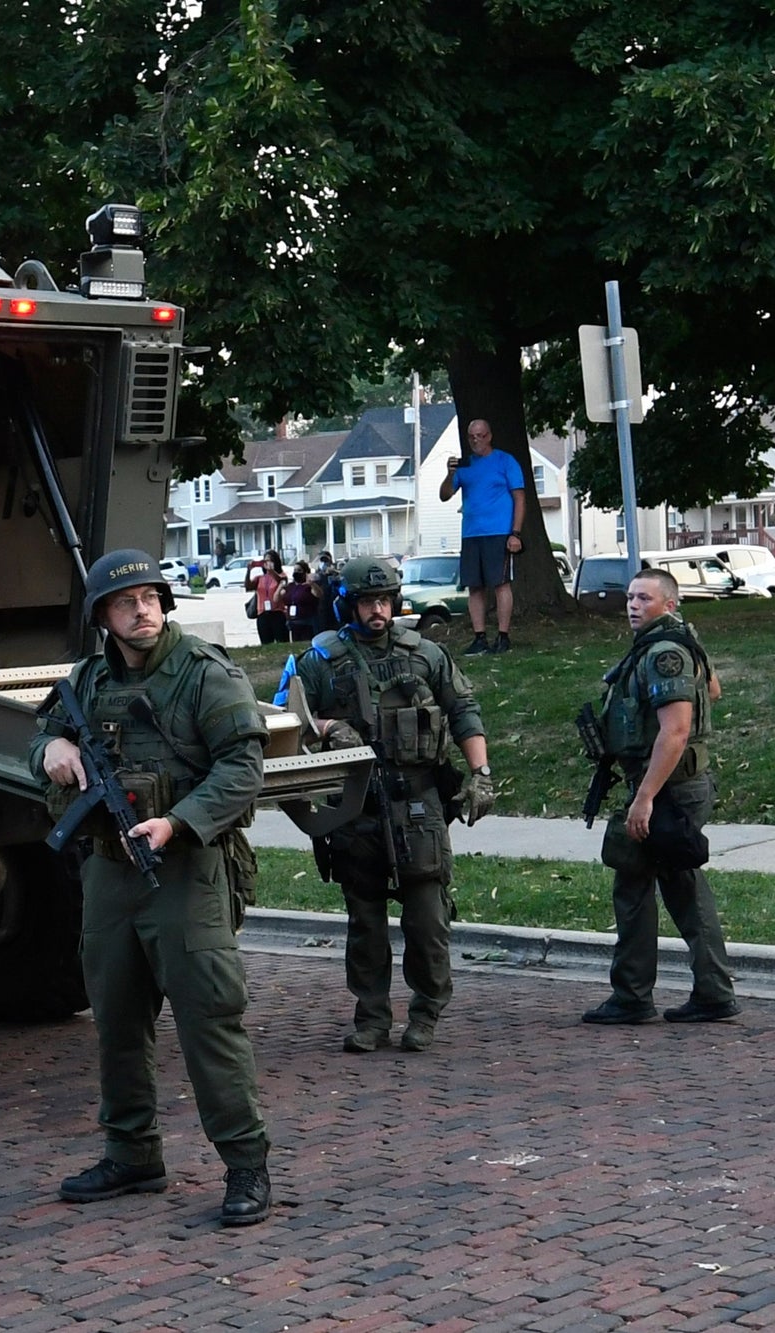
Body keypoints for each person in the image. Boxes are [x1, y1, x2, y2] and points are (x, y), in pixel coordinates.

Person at [32, 549, 274, 1227]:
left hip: (185, 870)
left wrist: (179, 821)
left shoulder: (204, 674)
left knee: (208, 1018)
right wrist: (48, 752)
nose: (142, 610)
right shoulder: (88, 678)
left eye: (150, 597)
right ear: (103, 617)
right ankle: (132, 1150)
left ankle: (246, 1163)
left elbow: (243, 766)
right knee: (115, 1015)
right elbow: (42, 739)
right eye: (124, 601)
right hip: (110, 872)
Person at [279, 556, 495, 1052]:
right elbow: (292, 716)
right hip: (356, 806)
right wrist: (330, 729)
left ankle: (426, 1012)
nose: (377, 610)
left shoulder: (426, 655)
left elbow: (464, 711)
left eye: (384, 600)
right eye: (366, 601)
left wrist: (480, 775)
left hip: (417, 801)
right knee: (365, 921)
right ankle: (372, 1017)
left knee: (427, 918)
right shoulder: (321, 659)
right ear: (347, 604)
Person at [580, 567, 739, 1026]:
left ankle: (633, 996)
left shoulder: (666, 651)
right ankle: (710, 991)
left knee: (638, 884)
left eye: (644, 599)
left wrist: (645, 797)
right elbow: (713, 688)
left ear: (668, 604)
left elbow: (676, 730)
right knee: (680, 886)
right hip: (675, 785)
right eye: (630, 597)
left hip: (669, 790)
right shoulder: (677, 642)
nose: (633, 605)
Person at [437, 419, 527, 654]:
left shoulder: (505, 461)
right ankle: (479, 637)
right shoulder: (464, 466)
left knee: (500, 583)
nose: (475, 440)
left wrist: (515, 533)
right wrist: (450, 474)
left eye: (480, 435)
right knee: (474, 587)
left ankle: (503, 636)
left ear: (489, 436)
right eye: (471, 437)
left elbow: (519, 498)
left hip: (499, 532)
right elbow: (445, 495)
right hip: (471, 534)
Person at [250, 550, 288, 645]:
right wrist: (249, 570)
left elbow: (280, 580)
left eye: (271, 560)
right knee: (266, 642)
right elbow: (248, 586)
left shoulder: (282, 575)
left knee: (281, 641)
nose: (268, 563)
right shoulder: (260, 578)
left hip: (277, 612)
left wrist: (271, 571)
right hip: (263, 613)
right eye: (265, 561)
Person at [281, 561, 322, 643]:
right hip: (293, 622)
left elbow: (318, 594)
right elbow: (280, 597)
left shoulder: (309, 586)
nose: (296, 572)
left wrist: (312, 584)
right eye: (295, 570)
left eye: (299, 570)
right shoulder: (290, 586)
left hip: (307, 622)